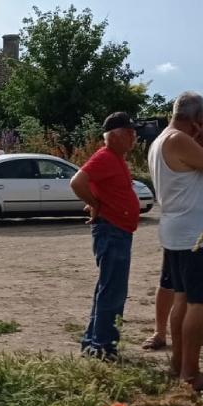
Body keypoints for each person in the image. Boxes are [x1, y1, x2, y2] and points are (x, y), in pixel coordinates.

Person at [147, 92, 203, 393]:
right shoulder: (178, 140)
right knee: (199, 303)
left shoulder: (161, 140)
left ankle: (179, 365)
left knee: (183, 299)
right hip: (197, 236)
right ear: (196, 119)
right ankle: (190, 374)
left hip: (182, 232)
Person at [70, 112, 143, 361]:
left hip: (117, 230)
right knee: (112, 292)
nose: (134, 137)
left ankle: (94, 344)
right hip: (112, 230)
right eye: (129, 133)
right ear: (115, 136)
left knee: (108, 290)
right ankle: (103, 348)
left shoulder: (116, 158)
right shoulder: (105, 157)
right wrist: (96, 204)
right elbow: (77, 182)